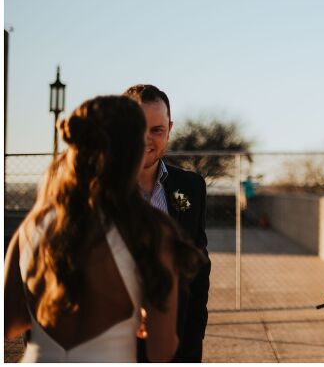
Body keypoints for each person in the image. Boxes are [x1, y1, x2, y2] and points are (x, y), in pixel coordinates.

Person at [4, 95, 202, 362]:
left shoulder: (34, 224)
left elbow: (9, 324)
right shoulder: (151, 229)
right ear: (131, 149)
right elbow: (162, 349)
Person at [124, 84, 210, 363]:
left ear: (169, 130)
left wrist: (193, 340)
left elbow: (199, 268)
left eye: (157, 130)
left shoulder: (191, 186)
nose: (146, 139)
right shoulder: (95, 189)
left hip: (176, 346)